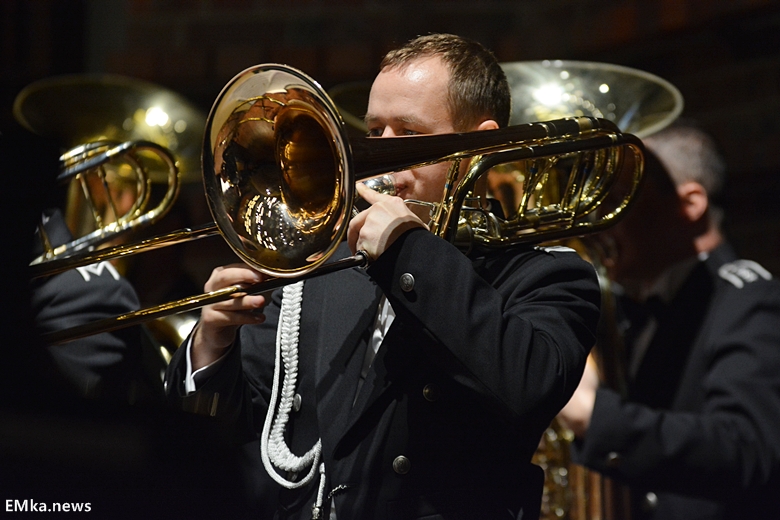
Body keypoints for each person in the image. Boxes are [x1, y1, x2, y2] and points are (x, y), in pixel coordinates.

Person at [165, 33, 602, 519]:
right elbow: (244, 432)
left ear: (477, 145)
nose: (384, 163)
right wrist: (212, 343)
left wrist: (411, 251)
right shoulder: (322, 266)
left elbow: (527, 387)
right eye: (375, 133)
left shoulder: (550, 273)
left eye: (410, 135)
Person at [557, 122, 780, 520]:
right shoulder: (625, 307)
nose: (595, 219)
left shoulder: (752, 300)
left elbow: (750, 449)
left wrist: (593, 415)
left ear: (690, 203)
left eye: (619, 197)